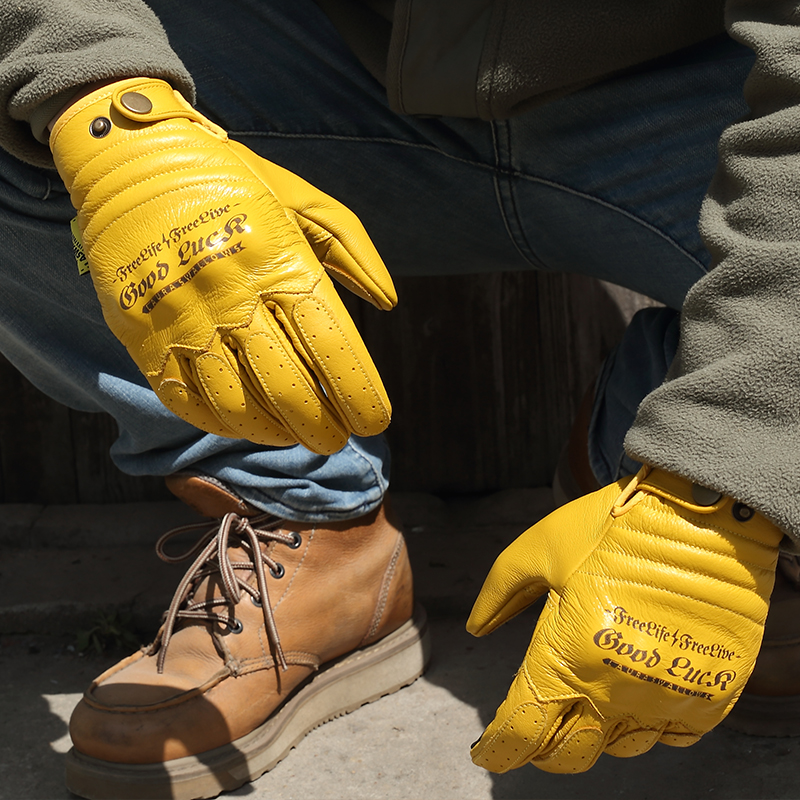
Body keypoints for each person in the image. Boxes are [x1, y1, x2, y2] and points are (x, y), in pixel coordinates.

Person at [2, 0, 799, 797]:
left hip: (710, 99)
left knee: (744, 452)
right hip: (315, 71)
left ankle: (689, 472)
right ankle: (310, 520)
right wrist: (113, 115)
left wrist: (714, 498)